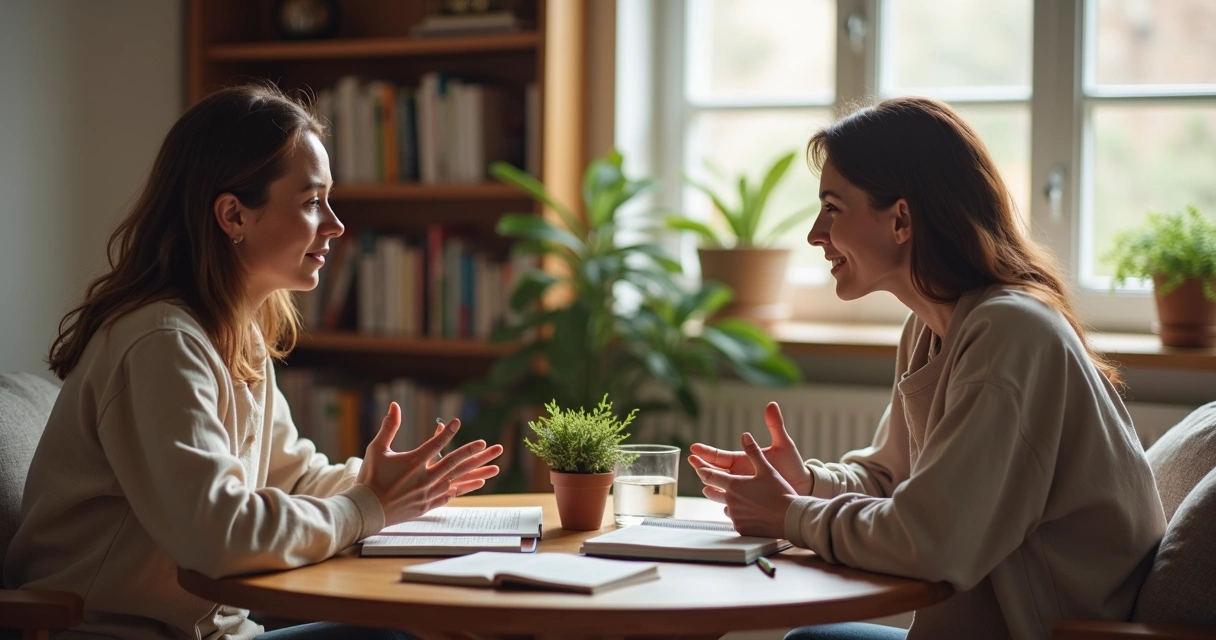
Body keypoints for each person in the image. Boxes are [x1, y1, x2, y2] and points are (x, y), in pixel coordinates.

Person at [3, 83, 504, 640]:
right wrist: (369, 507)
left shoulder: (233, 330)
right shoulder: (161, 344)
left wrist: (397, 489)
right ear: (233, 215)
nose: (335, 225)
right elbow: (218, 535)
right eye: (313, 202)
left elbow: (293, 476)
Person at [688, 97, 1164, 640]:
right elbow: (893, 480)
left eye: (833, 208)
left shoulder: (1011, 333)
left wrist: (790, 516)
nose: (815, 233)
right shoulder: (931, 327)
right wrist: (806, 484)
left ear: (902, 219)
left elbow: (934, 540)